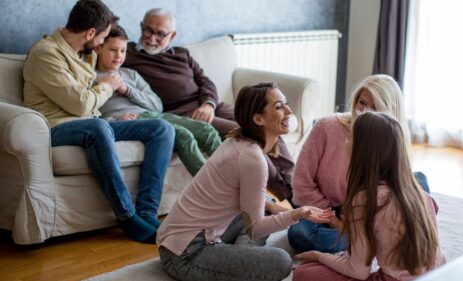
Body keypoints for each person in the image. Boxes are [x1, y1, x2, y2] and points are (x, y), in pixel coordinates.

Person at [22, 0, 175, 243]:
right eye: (103, 37)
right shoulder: (46, 54)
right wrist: (107, 86)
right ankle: (127, 216)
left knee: (162, 128)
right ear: (90, 33)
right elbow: (81, 104)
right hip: (56, 127)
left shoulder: (82, 53)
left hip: (91, 123)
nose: (103, 43)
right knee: (98, 126)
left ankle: (147, 211)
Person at [157, 82, 335, 281]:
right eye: (279, 107)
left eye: (286, 104)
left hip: (180, 238)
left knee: (264, 209)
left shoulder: (237, 140)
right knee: (281, 262)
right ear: (258, 118)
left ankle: (244, 263)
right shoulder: (252, 158)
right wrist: (298, 213)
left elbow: (252, 207)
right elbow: (256, 229)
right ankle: (246, 265)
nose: (288, 111)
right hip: (185, 254)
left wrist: (275, 208)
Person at [123, 8, 294, 201]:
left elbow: (206, 82)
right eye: (148, 30)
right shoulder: (127, 54)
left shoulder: (182, 54)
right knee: (253, 133)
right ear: (141, 27)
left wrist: (209, 104)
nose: (152, 38)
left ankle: (294, 185)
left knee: (272, 124)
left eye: (160, 34)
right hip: (185, 115)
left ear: (172, 36)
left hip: (211, 106)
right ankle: (287, 195)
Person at [292, 112, 446, 281]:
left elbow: (358, 271)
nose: (345, 142)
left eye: (349, 137)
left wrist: (320, 256)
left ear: (362, 150)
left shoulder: (366, 199)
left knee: (303, 275)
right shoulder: (421, 195)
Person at [288, 74, 431, 253]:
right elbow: (301, 182)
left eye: (374, 108)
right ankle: (376, 241)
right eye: (361, 103)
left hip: (369, 211)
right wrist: (335, 221)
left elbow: (392, 193)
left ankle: (365, 240)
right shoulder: (327, 127)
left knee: (418, 182)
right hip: (328, 209)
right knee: (299, 233)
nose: (363, 112)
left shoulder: (392, 137)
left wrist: (362, 222)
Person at [96, 25, 221, 176]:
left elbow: (157, 105)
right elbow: (88, 112)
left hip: (153, 115)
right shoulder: (90, 77)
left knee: (207, 131)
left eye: (123, 51)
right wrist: (115, 120)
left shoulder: (131, 74)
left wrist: (127, 90)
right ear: (98, 48)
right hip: (132, 121)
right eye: (113, 50)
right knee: (183, 135)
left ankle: (230, 177)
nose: (119, 56)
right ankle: (213, 187)